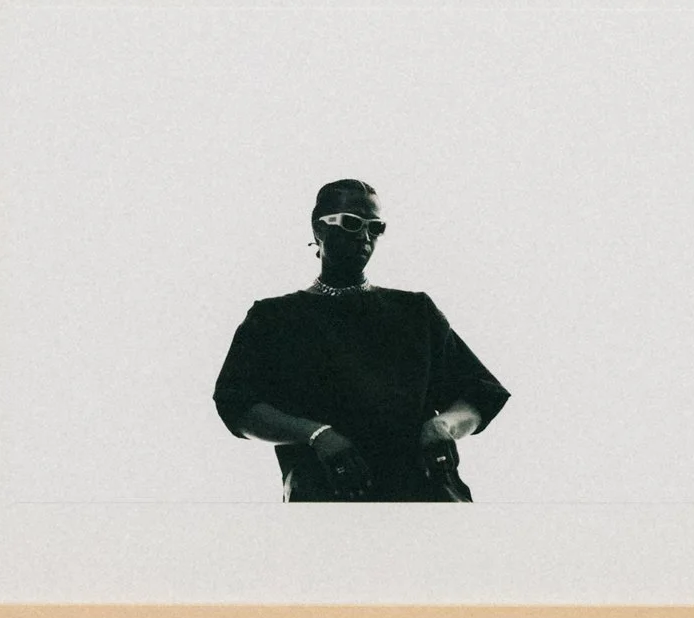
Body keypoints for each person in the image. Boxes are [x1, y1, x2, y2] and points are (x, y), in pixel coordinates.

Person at [214, 179, 510, 501]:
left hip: (425, 499)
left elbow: (480, 392)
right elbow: (237, 404)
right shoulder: (275, 318)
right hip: (327, 500)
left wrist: (445, 426)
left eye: (375, 227)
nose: (365, 236)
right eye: (352, 223)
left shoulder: (416, 312)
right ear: (318, 229)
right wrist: (317, 435)